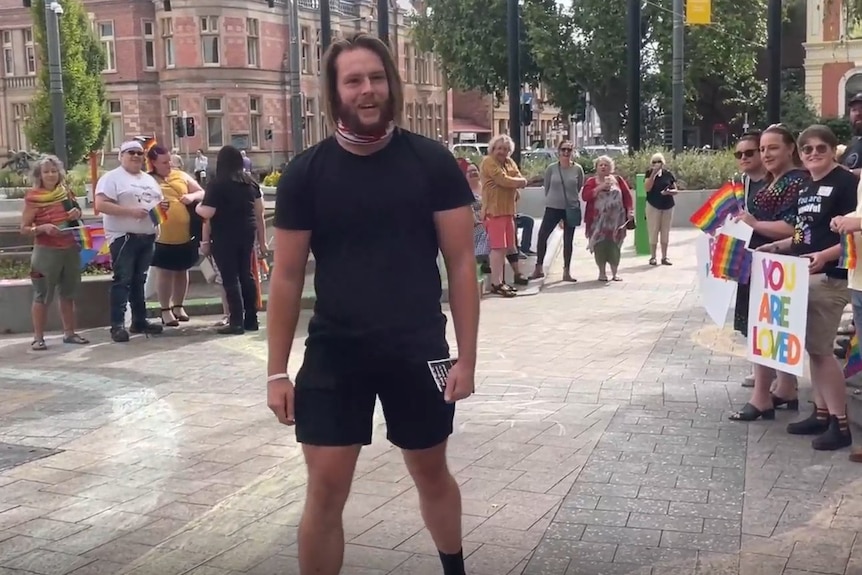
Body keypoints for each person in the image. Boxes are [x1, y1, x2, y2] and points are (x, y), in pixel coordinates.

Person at [266, 32, 478, 575]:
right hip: (336, 352)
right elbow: (287, 277)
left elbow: (460, 265)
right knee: (326, 488)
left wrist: (467, 358)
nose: (368, 90)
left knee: (431, 472)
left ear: (392, 85)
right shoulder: (306, 174)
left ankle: (454, 567)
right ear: (335, 92)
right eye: (354, 80)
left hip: (418, 347)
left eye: (377, 78)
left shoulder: (432, 163)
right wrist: (276, 373)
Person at [755, 125, 856, 451]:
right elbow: (804, 233)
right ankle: (821, 412)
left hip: (831, 276)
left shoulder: (847, 183)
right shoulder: (808, 185)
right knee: (814, 348)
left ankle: (840, 425)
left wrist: (824, 257)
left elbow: (852, 233)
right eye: (807, 149)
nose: (813, 154)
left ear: (832, 150)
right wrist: (780, 247)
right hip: (803, 275)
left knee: (824, 352)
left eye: (820, 148)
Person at [94, 140, 165, 342]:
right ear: (121, 156)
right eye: (130, 152)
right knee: (122, 281)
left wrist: (158, 223)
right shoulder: (111, 178)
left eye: (139, 153)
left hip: (148, 236)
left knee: (139, 281)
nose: (135, 156)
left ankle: (139, 320)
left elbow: (156, 206)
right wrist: (130, 212)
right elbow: (101, 204)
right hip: (123, 237)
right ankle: (117, 325)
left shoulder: (149, 180)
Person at [19, 155, 89, 350]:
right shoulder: (33, 199)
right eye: (46, 171)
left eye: (53, 171)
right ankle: (38, 337)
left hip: (70, 249)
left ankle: (70, 333)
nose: (50, 175)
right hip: (45, 252)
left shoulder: (66, 192)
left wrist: (77, 213)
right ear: (39, 175)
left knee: (69, 293)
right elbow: (24, 228)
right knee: (42, 294)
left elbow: (76, 215)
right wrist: (43, 228)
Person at [197, 146, 267, 335]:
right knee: (246, 274)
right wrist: (262, 241)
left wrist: (197, 207)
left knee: (230, 277)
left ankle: (236, 321)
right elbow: (259, 212)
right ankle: (251, 319)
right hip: (247, 232)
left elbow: (208, 212)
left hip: (224, 234)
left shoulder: (217, 184)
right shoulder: (250, 183)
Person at [148, 146, 205, 327]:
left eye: (169, 161)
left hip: (186, 234)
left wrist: (190, 196)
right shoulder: (148, 180)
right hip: (162, 235)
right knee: (164, 272)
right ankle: (165, 309)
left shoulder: (181, 175)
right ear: (154, 163)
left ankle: (179, 306)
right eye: (164, 162)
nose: (168, 165)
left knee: (182, 270)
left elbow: (202, 192)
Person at [733, 132, 769, 388]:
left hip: (772, 254)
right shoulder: (742, 182)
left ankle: (772, 372)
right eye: (739, 154)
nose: (744, 158)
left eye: (749, 153)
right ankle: (760, 368)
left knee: (768, 313)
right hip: (748, 254)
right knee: (751, 313)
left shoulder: (774, 180)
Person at [480, 134, 528, 297]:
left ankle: (501, 281)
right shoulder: (488, 162)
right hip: (494, 212)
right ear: (493, 148)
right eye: (499, 148)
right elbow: (503, 180)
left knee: (506, 247)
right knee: (498, 248)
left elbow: (517, 176)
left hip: (508, 210)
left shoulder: (509, 162)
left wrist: (516, 181)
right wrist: (518, 182)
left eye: (506, 149)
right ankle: (496, 283)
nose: (502, 152)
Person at [531, 140, 583, 282]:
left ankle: (566, 271)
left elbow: (578, 186)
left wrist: (568, 201)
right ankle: (538, 267)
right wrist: (553, 200)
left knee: (568, 240)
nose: (566, 153)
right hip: (553, 208)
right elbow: (546, 187)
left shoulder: (577, 169)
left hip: (570, 208)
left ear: (573, 152)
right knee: (542, 236)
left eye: (569, 150)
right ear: (558, 151)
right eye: (563, 150)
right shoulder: (551, 168)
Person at [581, 155, 633, 282]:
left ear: (611, 167)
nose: (603, 167)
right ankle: (602, 273)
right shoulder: (591, 182)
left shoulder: (618, 180)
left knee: (615, 246)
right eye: (601, 165)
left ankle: (615, 273)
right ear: (597, 167)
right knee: (600, 246)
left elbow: (627, 196)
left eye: (606, 165)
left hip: (616, 222)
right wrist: (600, 187)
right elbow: (585, 196)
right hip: (597, 222)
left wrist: (630, 211)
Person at [644, 152, 678, 266]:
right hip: (653, 205)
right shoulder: (649, 173)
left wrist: (669, 192)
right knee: (653, 231)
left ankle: (664, 257)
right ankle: (653, 257)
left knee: (665, 232)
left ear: (663, 163)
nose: (657, 164)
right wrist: (653, 174)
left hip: (667, 206)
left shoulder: (668, 174)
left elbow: (676, 190)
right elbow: (647, 188)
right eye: (654, 162)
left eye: (659, 162)